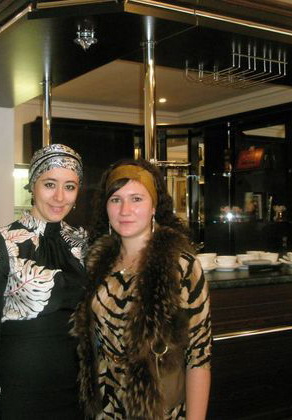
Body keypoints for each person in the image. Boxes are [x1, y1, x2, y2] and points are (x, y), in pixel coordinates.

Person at [72, 159, 212, 420]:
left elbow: (199, 357)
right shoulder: (96, 262)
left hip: (157, 407)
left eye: (136, 199)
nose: (125, 210)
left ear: (154, 206)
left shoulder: (181, 265)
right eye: (116, 200)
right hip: (106, 403)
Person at [0, 144, 88, 420]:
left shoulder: (82, 243)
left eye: (69, 187)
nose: (59, 197)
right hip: (19, 389)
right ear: (32, 186)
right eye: (49, 184)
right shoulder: (0, 243)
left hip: (74, 388)